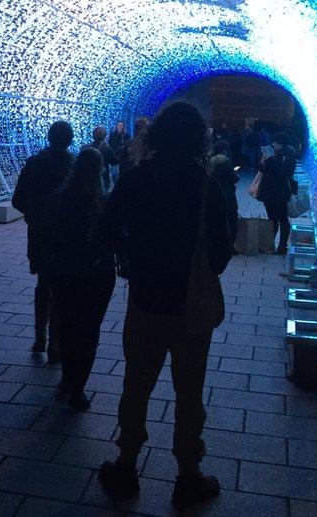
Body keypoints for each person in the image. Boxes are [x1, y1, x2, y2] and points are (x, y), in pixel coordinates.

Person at [98, 102, 232, 510]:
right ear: (198, 139)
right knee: (189, 391)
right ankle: (188, 475)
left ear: (154, 136)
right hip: (190, 309)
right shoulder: (209, 187)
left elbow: (104, 229)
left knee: (136, 384)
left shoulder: (137, 179)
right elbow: (223, 252)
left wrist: (131, 255)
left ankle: (126, 465)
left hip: (145, 300)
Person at [44, 147, 115, 410]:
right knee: (89, 330)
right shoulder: (103, 201)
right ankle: (78, 388)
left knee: (68, 324)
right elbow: (113, 238)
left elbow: (47, 235)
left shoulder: (58, 199)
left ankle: (67, 378)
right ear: (100, 169)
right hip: (98, 274)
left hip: (64, 272)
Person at [12, 121, 75, 363]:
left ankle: (40, 335)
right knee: (60, 287)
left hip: (39, 233)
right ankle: (56, 342)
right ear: (69, 140)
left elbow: (17, 199)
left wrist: (33, 214)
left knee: (43, 283)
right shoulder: (73, 165)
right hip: (66, 235)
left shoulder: (35, 163)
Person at [257, 132, 297, 255]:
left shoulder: (288, 155)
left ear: (282, 144)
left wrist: (271, 159)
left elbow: (282, 172)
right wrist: (262, 163)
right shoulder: (273, 154)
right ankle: (269, 244)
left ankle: (282, 246)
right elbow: (264, 170)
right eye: (274, 142)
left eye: (277, 143)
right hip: (268, 192)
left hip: (281, 192)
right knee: (271, 220)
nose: (274, 144)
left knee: (282, 219)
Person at [208, 140, 239, 253]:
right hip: (228, 194)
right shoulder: (225, 161)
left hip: (214, 193)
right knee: (231, 220)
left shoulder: (211, 160)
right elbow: (234, 178)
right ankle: (230, 246)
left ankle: (216, 245)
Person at [92, 126, 115, 192]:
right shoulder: (107, 149)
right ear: (105, 136)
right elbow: (114, 162)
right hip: (103, 178)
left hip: (88, 177)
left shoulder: (85, 147)